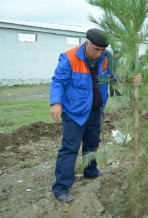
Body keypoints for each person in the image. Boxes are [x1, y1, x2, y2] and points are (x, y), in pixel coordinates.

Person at [50, 28, 114, 203]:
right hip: (74, 113)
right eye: (95, 49)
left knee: (92, 144)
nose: (98, 53)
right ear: (86, 44)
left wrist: (132, 78)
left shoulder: (106, 57)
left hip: (95, 111)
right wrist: (56, 102)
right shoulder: (69, 57)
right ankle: (61, 187)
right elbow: (58, 81)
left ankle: (90, 171)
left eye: (102, 50)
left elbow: (118, 75)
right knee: (70, 148)